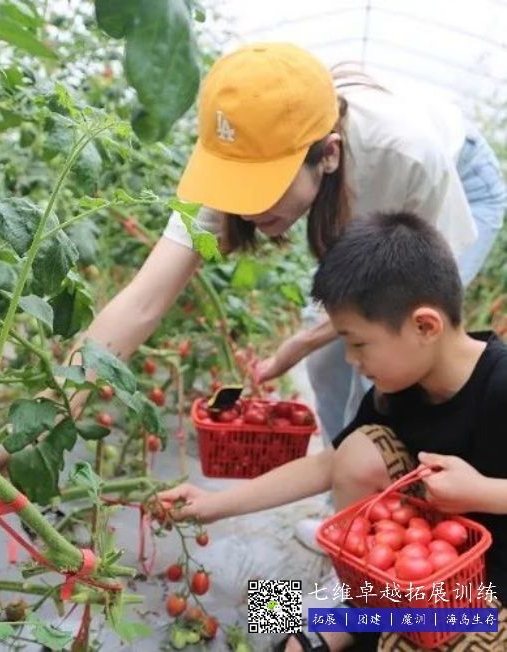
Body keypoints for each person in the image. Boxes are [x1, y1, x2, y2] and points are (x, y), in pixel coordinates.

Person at [62, 42, 506, 546]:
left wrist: (485, 492)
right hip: (389, 594)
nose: (247, 209)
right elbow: (143, 301)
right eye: (239, 186)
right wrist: (53, 406)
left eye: (265, 186)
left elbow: (420, 301)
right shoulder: (239, 150)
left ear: (328, 154)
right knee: (343, 380)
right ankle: (357, 520)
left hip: (459, 177)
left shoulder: (404, 154)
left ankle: (410, 519)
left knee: (397, 374)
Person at [158, 211, 507, 652]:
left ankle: (354, 619)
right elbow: (331, 463)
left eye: (358, 343)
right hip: (414, 563)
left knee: (407, 636)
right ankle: (353, 604)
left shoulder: (500, 384)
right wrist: (214, 504)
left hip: (490, 585)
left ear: (425, 326)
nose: (350, 359)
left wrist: (482, 493)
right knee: (359, 452)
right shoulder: (398, 388)